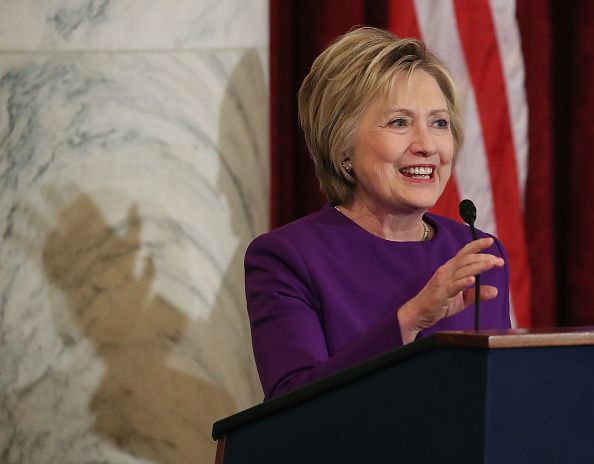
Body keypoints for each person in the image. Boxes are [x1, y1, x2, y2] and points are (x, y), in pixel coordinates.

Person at [245, 27, 511, 400]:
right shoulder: (286, 258)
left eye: (439, 123)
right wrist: (412, 318)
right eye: (400, 122)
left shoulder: (478, 252)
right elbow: (293, 406)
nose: (426, 145)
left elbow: (499, 394)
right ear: (344, 147)